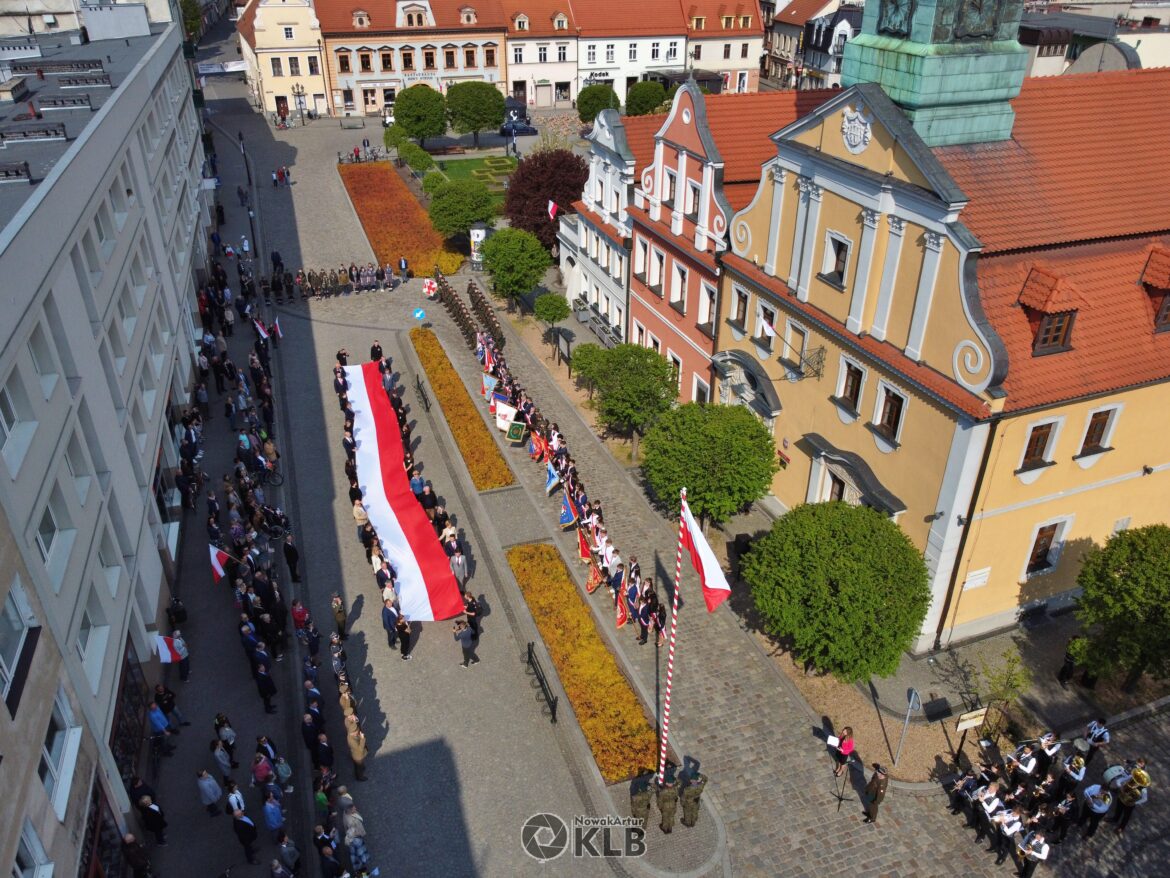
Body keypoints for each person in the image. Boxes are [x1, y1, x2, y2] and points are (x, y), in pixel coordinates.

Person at [1111, 769, 1150, 834]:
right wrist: (1120, 786)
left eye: (1139, 780)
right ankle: (1115, 819)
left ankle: (1121, 827)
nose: (1137, 781)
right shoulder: (1131, 777)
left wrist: (1135, 802)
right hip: (1122, 796)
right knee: (1118, 809)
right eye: (1138, 778)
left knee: (1126, 816)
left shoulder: (1144, 789)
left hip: (1130, 803)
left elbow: (1144, 799)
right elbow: (1120, 780)